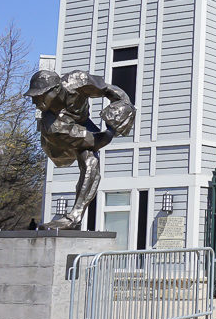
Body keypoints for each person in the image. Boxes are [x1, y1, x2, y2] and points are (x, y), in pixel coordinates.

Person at [25, 70, 135, 229]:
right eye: (33, 96)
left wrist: (123, 107)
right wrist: (111, 131)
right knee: (89, 154)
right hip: (58, 143)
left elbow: (110, 90)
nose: (34, 101)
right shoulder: (51, 124)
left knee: (90, 162)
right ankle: (74, 217)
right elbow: (96, 141)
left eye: (39, 95)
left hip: (82, 123)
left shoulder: (78, 80)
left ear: (56, 89)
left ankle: (75, 217)